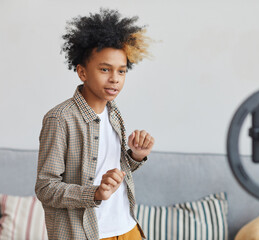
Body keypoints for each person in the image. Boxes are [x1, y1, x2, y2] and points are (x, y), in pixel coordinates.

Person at [35, 8, 154, 240]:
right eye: (104, 69)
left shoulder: (114, 112)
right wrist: (94, 193)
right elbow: (45, 188)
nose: (115, 79)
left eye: (121, 71)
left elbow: (114, 171)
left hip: (128, 229)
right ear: (82, 72)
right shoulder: (59, 119)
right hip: (86, 233)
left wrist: (136, 156)